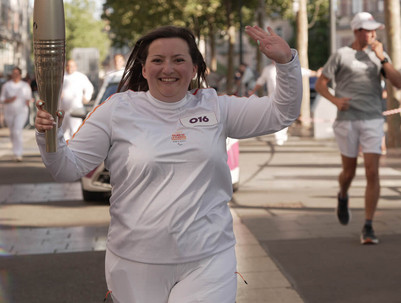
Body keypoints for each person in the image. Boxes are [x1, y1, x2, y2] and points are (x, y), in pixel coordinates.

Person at [35, 25, 302, 303]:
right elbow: (66, 168)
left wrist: (287, 62)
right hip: (135, 259)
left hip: (209, 256)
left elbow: (281, 113)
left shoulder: (216, 108)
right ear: (144, 68)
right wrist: (48, 137)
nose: (168, 69)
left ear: (195, 67)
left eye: (179, 60)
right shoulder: (116, 110)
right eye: (158, 60)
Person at [315, 12, 401, 245]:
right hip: (347, 120)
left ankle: (369, 226)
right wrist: (335, 101)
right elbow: (321, 84)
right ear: (356, 31)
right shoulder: (341, 55)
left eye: (374, 29)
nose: (372, 33)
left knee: (373, 172)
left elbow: (398, 82)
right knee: (349, 173)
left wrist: (383, 58)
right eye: (367, 29)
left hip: (372, 118)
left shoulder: (380, 56)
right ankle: (343, 194)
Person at [0, 67, 32, 161]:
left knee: (17, 131)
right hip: (9, 111)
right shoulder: (6, 85)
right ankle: (15, 150)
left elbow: (28, 98)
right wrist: (8, 100)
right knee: (13, 132)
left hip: (21, 112)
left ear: (20, 75)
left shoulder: (25, 85)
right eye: (13, 73)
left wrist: (28, 102)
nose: (15, 75)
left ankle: (18, 153)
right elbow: (1, 99)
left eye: (17, 73)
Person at [60, 59, 94, 140]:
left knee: (74, 131)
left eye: (71, 66)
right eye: (67, 66)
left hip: (76, 109)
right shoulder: (61, 76)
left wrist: (86, 97)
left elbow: (89, 88)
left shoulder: (80, 77)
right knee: (62, 132)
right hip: (63, 109)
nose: (69, 68)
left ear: (75, 67)